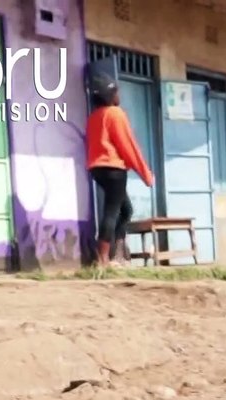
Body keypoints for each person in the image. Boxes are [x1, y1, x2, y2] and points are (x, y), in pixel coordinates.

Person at [86, 75, 153, 267]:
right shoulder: (115, 114)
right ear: (110, 95)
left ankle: (119, 255)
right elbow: (128, 146)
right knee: (112, 211)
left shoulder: (94, 117)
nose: (119, 95)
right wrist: (146, 174)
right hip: (114, 169)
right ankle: (103, 259)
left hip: (97, 169)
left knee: (126, 210)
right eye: (116, 91)